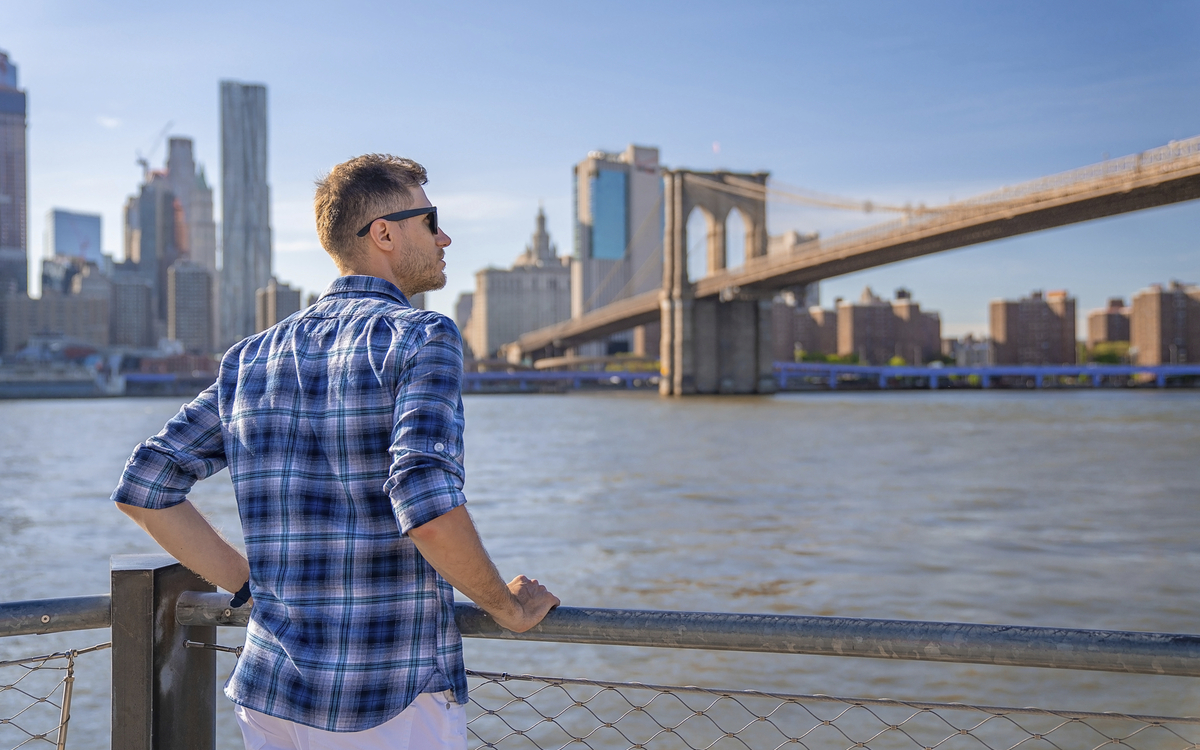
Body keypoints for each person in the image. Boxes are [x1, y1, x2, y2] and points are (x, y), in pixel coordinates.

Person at [111, 153, 560, 749]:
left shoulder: (251, 358)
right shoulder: (424, 336)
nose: (445, 236)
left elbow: (146, 486)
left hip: (272, 697)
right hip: (389, 699)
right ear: (384, 234)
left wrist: (250, 584)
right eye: (431, 221)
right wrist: (505, 606)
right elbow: (423, 500)